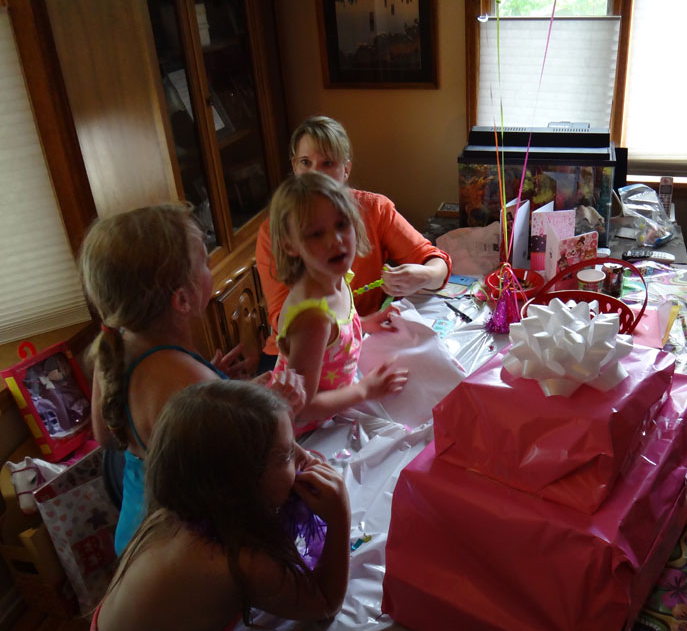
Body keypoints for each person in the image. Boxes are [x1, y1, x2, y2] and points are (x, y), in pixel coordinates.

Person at [79, 203, 305, 555]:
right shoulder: (185, 379)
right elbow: (245, 470)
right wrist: (279, 408)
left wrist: (225, 390)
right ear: (182, 300)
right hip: (178, 549)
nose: (210, 267)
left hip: (136, 535)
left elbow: (107, 436)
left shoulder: (116, 343)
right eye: (204, 262)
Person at [80, 380, 350, 631]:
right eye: (286, 454)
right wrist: (339, 515)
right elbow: (325, 603)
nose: (305, 457)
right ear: (238, 485)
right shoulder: (237, 561)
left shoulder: (174, 512)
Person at [256, 115, 451, 371]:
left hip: (361, 339)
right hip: (304, 354)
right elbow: (287, 325)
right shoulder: (274, 232)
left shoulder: (375, 210)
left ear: (346, 170)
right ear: (294, 166)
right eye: (305, 162)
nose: (315, 174)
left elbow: (436, 262)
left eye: (327, 163)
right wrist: (354, 331)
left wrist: (424, 275)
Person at [269, 172, 408, 432]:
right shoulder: (313, 319)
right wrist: (364, 390)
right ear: (290, 245)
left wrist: (363, 323)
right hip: (300, 433)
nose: (335, 240)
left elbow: (333, 338)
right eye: (316, 234)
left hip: (331, 414)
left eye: (342, 224)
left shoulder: (334, 276)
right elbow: (301, 408)